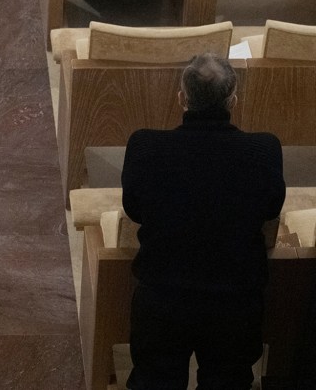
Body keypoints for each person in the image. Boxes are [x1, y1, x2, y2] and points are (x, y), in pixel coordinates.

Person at [122, 53, 285, 390]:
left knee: (154, 381)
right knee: (228, 382)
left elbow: (135, 209)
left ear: (182, 98)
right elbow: (271, 208)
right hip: (235, 300)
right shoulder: (264, 150)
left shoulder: (145, 146)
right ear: (233, 100)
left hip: (163, 296)